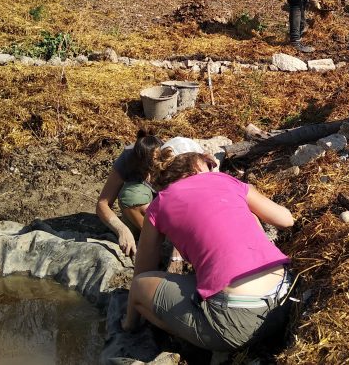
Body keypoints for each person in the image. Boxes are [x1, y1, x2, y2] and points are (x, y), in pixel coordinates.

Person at [123, 151, 295, 361]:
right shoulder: (227, 181)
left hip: (237, 325)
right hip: (285, 301)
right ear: (195, 166)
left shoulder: (160, 204)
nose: (213, 168)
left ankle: (134, 327)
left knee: (140, 288)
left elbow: (143, 272)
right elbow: (286, 220)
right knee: (249, 213)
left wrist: (132, 315)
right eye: (209, 164)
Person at [96, 132, 207, 258]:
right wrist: (122, 230)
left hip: (170, 208)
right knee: (131, 196)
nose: (150, 176)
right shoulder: (129, 157)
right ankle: (158, 242)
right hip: (143, 210)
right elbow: (102, 203)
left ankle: (172, 240)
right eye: (147, 168)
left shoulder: (172, 157)